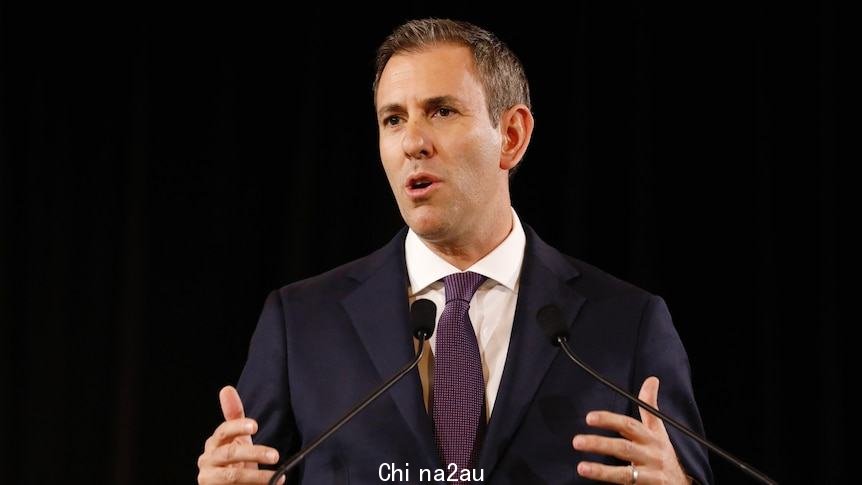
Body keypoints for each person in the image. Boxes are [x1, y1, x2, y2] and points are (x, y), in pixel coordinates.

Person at [197, 18, 712, 485]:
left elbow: (681, 473)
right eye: (392, 119)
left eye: (441, 111)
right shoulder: (301, 322)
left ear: (511, 136)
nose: (412, 142)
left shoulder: (627, 322)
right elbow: (252, 472)